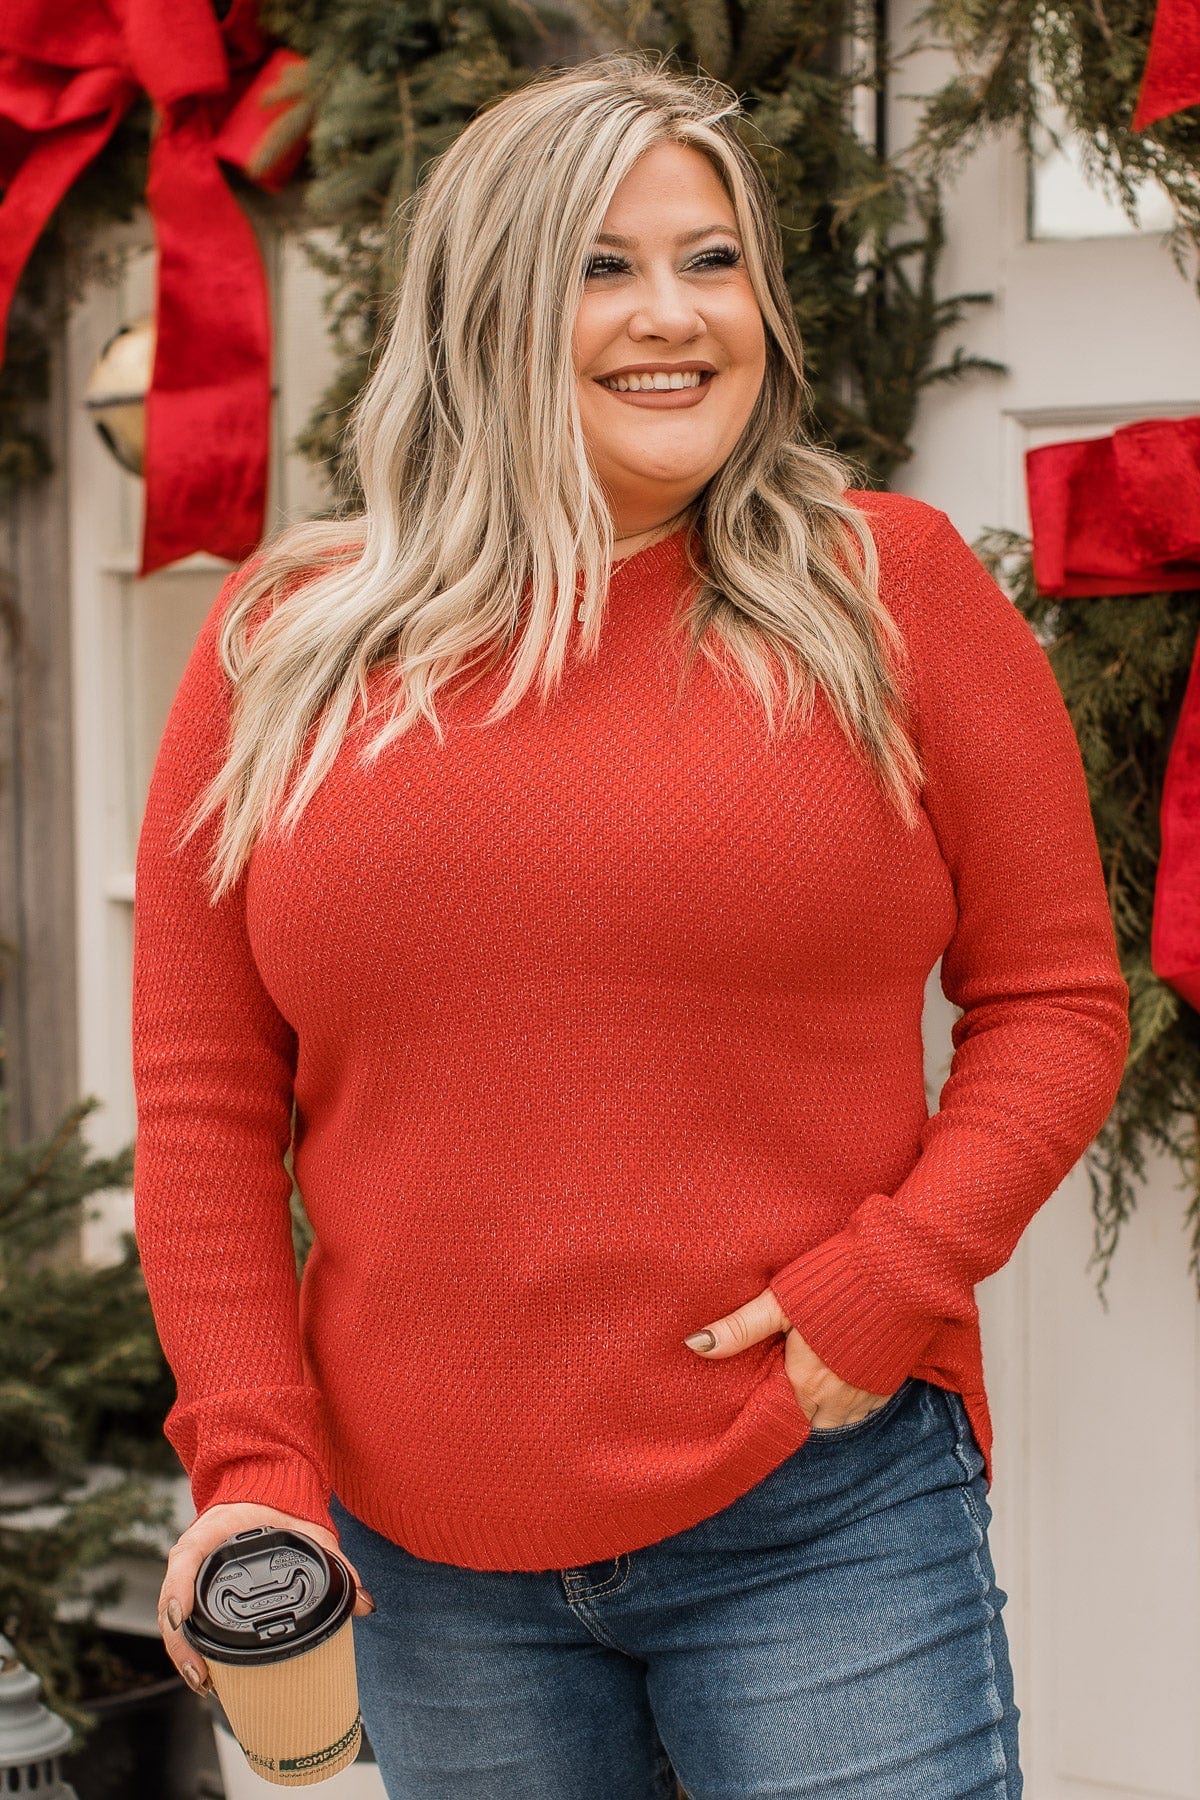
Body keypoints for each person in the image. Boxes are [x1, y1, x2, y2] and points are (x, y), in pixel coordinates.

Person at [133, 49, 1130, 1800]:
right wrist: (252, 1466)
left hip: (817, 1512)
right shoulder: (286, 646)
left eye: (712, 259)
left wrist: (893, 1278)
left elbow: (1055, 998)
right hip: (424, 1563)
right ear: (486, 310)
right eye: (604, 265)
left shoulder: (888, 592)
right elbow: (207, 1106)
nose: (675, 315)